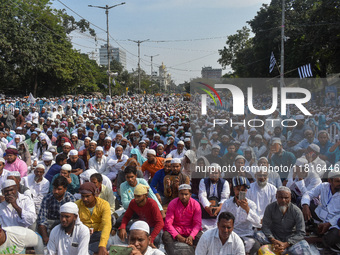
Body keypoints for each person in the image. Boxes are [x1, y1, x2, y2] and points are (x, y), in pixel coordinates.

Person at [259, 186, 312, 254]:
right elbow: (265, 226)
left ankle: (281, 249)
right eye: (280, 197)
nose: (283, 200)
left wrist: (286, 244)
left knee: (304, 246)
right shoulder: (270, 208)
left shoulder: (296, 211)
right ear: (276, 197)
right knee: (258, 235)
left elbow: (301, 232)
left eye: (286, 198)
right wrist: (273, 240)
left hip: (291, 240)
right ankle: (279, 248)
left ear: (290, 198)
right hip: (274, 238)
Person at [218, 176, 261, 254]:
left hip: (247, 235)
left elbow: (258, 224)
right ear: (234, 189)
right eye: (238, 189)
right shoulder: (227, 204)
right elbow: (219, 220)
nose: (240, 192)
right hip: (231, 234)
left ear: (246, 191)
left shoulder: (251, 205)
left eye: (243, 190)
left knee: (256, 246)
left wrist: (247, 209)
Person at [301, 168, 340, 251]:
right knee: (304, 205)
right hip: (320, 214)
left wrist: (329, 223)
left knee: (334, 235)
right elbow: (308, 194)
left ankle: (318, 239)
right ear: (330, 180)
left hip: (334, 221)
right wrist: (305, 206)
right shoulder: (323, 186)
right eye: (338, 181)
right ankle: (314, 227)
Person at [163, 184, 202, 255]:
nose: (184, 197)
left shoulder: (196, 204)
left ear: (190, 194)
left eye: (186, 194)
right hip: (177, 229)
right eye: (181, 194)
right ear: (178, 194)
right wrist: (178, 237)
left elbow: (197, 224)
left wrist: (191, 236)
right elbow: (168, 223)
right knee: (166, 235)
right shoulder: (172, 203)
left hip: (190, 230)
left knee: (201, 237)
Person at [76, 182, 112, 255]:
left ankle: (89, 252)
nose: (85, 199)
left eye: (87, 196)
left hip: (97, 234)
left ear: (94, 195)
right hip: (81, 235)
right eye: (82, 196)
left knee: (109, 242)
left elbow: (107, 225)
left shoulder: (104, 204)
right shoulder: (76, 205)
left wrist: (102, 245)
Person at [38, 176, 76, 245]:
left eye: (59, 189)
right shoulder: (47, 198)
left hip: (64, 224)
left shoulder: (70, 199)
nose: (56, 191)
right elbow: (42, 219)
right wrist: (45, 237)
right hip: (49, 223)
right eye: (54, 188)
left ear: (65, 189)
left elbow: (71, 220)